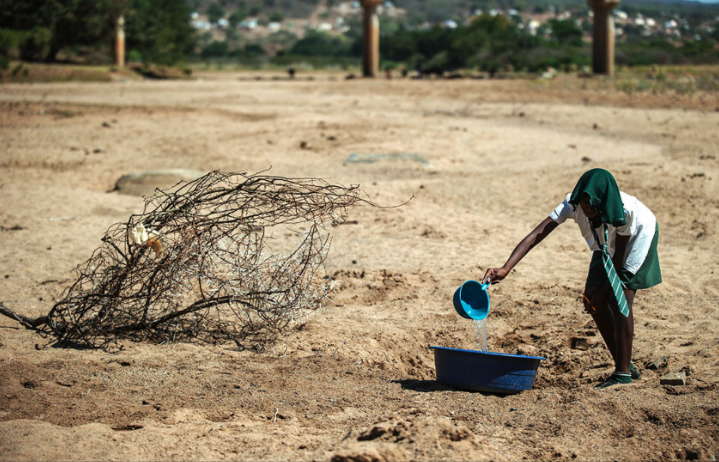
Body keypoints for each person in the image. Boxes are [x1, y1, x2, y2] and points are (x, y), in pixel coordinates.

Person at [482, 168, 662, 388]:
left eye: (593, 205)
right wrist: (506, 268)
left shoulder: (623, 212)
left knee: (620, 297)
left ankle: (622, 374)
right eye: (584, 203)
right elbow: (537, 234)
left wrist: (606, 293)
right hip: (605, 243)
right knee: (590, 299)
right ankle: (626, 363)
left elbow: (618, 261)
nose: (587, 208)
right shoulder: (572, 203)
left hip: (636, 238)